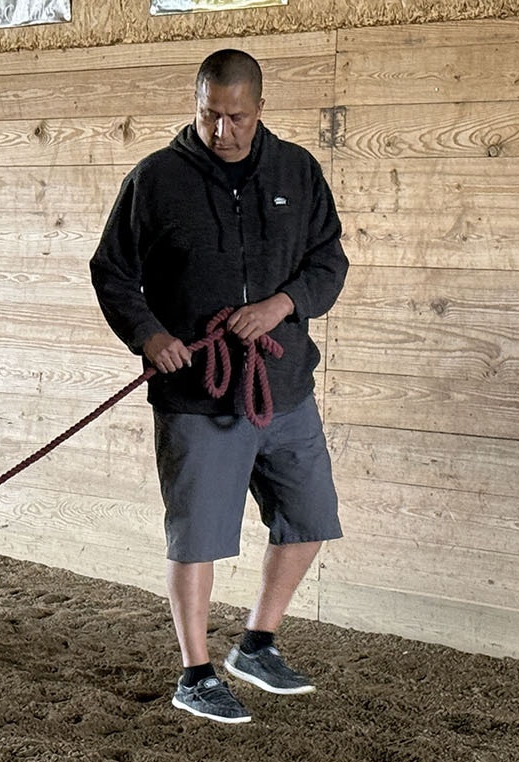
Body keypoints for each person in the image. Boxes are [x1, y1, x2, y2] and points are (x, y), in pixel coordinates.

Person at [91, 48, 349, 724]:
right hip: (196, 392)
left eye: (236, 117)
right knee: (198, 537)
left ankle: (257, 645)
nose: (222, 130)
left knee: (310, 518)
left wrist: (282, 304)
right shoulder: (156, 179)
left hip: (282, 385)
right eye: (210, 115)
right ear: (197, 104)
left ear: (260, 109)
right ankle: (196, 672)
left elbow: (329, 261)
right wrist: (150, 336)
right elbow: (112, 271)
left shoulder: (297, 171)